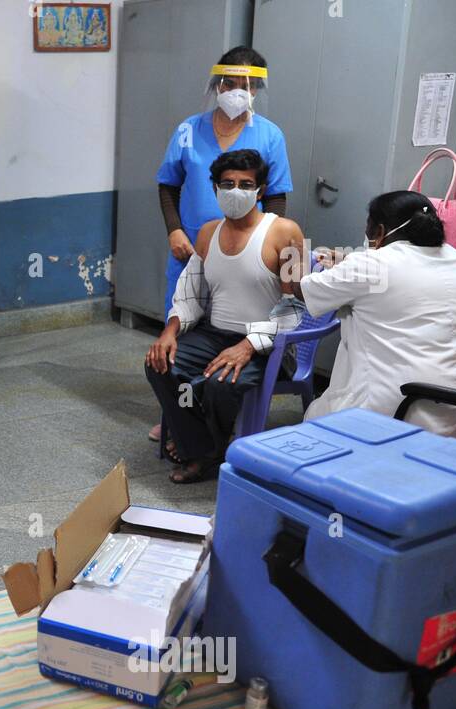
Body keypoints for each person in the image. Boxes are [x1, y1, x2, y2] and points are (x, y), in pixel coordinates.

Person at [292, 191, 456, 447]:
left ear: (379, 230)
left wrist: (282, 255)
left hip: (414, 415)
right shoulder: (455, 257)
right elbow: (396, 272)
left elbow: (303, 289)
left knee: (317, 428)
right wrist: (347, 261)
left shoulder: (369, 265)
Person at [151, 46, 292, 442]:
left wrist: (268, 239)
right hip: (192, 249)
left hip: (245, 253)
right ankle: (179, 418)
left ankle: (216, 419)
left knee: (233, 327)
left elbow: (277, 195)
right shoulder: (187, 130)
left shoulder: (269, 134)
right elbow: (168, 183)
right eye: (231, 82)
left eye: (247, 85)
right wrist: (175, 230)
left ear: (257, 89)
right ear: (217, 84)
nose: (238, 90)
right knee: (180, 332)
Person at [145, 149, 306, 483]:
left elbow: (294, 309)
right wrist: (170, 331)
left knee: (221, 382)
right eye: (228, 183)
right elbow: (190, 294)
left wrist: (248, 346)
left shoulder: (285, 233)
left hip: (268, 346)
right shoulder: (207, 233)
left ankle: (204, 452)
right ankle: (202, 446)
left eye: (246, 184)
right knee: (159, 363)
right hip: (213, 335)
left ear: (261, 191)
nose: (236, 191)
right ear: (215, 188)